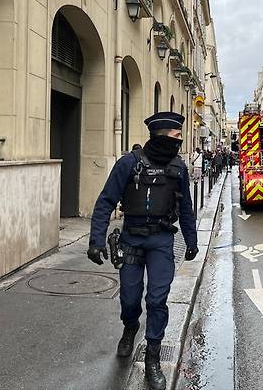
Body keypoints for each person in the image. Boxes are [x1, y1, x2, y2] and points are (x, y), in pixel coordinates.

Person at [87, 111, 199, 390]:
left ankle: (152, 357)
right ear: (161, 136)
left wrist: (191, 240)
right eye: (176, 136)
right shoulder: (129, 164)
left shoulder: (179, 168)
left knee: (158, 299)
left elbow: (185, 208)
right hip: (132, 240)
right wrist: (96, 239)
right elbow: (106, 201)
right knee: (129, 299)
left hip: (162, 240)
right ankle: (130, 326)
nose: (179, 140)